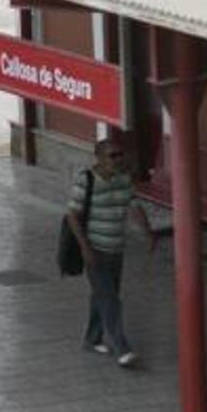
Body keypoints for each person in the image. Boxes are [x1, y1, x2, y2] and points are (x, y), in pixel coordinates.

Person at [65, 139, 156, 368]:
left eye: (119, 154)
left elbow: (134, 206)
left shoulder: (123, 179)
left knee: (103, 295)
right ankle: (122, 347)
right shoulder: (86, 179)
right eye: (112, 156)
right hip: (95, 249)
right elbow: (72, 216)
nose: (117, 159)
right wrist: (85, 247)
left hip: (117, 248)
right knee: (110, 299)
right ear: (99, 157)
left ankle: (92, 338)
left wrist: (147, 232)